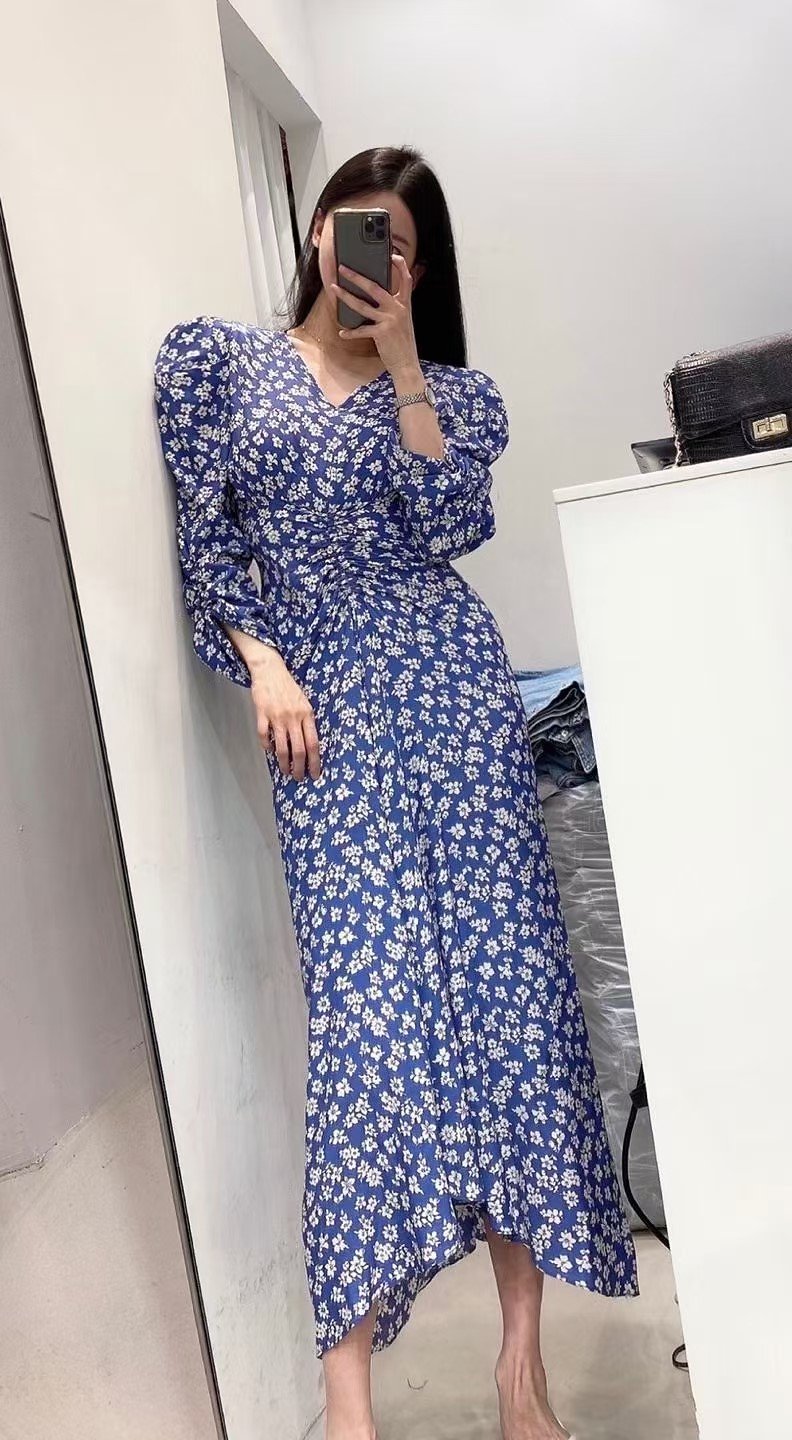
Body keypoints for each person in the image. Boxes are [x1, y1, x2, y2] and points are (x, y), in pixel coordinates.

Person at [154, 146, 637, 1440]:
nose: (372, 255)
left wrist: (408, 359)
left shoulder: (453, 395)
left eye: (401, 247)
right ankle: (348, 1408)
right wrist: (261, 658)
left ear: (422, 271)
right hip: (325, 723)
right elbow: (210, 540)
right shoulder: (219, 368)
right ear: (317, 228)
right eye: (357, 226)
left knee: (511, 1006)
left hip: (456, 704)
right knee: (370, 1035)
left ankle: (522, 1371)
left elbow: (451, 524)